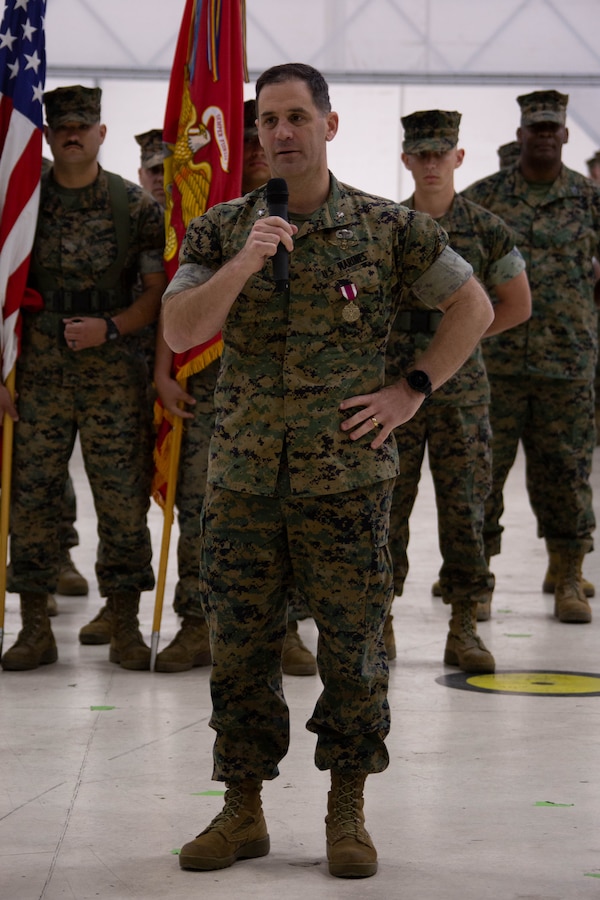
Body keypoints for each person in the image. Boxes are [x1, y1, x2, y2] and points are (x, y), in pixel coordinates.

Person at [161, 62, 493, 879]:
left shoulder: (386, 227)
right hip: (240, 481)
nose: (282, 133)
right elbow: (177, 329)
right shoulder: (221, 228)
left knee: (353, 651)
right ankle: (242, 811)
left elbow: (475, 307)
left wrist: (410, 391)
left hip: (344, 484)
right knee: (240, 650)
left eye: (297, 118)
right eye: (269, 120)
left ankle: (348, 810)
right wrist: (244, 262)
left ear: (329, 126)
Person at [0, 85, 167, 672]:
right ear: (47, 137)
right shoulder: (20, 204)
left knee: (122, 502)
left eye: (82, 125)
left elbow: (157, 296)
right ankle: (34, 628)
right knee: (34, 500)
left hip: (114, 375)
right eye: (61, 127)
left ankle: (124, 627)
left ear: (100, 134)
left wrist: (112, 328)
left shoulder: (136, 207)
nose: (72, 134)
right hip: (38, 373)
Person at [384, 110, 531, 673]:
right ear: (406, 161)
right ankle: (382, 619)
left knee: (466, 508)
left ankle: (465, 624)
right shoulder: (389, 225)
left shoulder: (487, 228)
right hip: (395, 390)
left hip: (461, 392)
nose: (430, 164)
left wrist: (458, 336)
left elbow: (517, 305)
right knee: (388, 507)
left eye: (440, 154)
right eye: (420, 154)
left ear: (458, 158)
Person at [463, 89, 599, 623]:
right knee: (482, 477)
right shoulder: (484, 198)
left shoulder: (589, 199)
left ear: (565, 135)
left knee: (566, 474)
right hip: (491, 365)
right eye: (535, 129)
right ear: (519, 135)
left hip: (567, 365)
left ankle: (568, 576)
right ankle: (476, 584)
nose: (543, 137)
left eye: (552, 129)